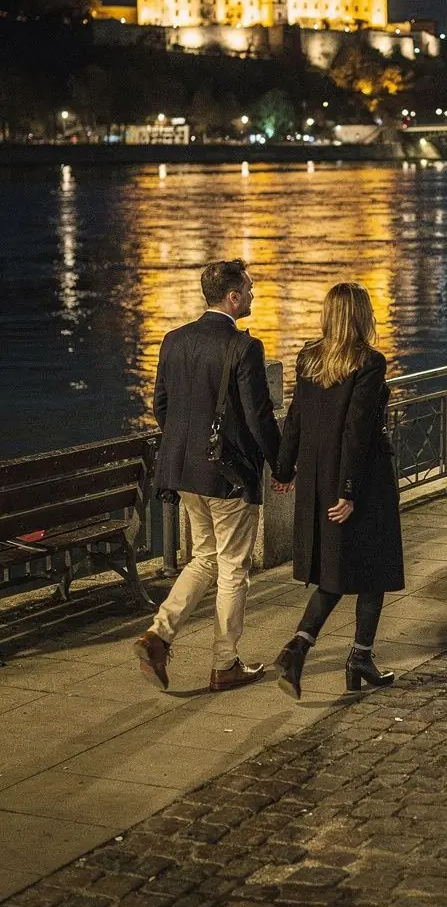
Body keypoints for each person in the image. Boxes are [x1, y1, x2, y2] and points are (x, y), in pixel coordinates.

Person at [134, 259, 281, 692]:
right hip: (229, 475)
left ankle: (159, 635)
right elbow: (259, 417)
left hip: (184, 471)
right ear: (233, 296)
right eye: (250, 289)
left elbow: (162, 406)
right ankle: (225, 663)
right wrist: (282, 465)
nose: (253, 295)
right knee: (234, 567)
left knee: (204, 558)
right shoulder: (243, 347)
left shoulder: (174, 340)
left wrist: (191, 448)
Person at [272, 282, 404, 700]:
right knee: (373, 567)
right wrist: (350, 490)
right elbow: (357, 431)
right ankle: (345, 654)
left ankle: (311, 650)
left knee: (338, 568)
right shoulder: (368, 362)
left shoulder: (309, 358)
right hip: (361, 478)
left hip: (317, 476)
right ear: (362, 316)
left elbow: (295, 418)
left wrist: (284, 468)